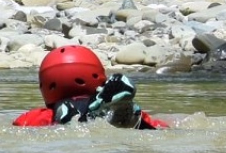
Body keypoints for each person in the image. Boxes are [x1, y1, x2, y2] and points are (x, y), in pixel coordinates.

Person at [12, 45, 168, 129]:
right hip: (109, 124)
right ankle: (118, 119)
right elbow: (163, 128)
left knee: (62, 127)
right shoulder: (120, 106)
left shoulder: (36, 117)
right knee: (134, 121)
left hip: (60, 133)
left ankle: (73, 119)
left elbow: (16, 130)